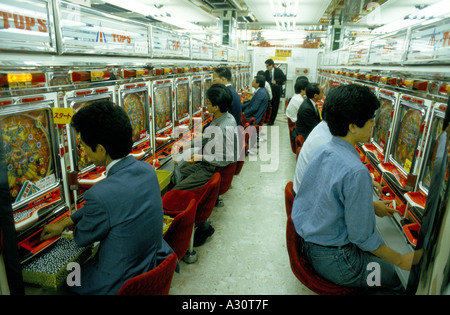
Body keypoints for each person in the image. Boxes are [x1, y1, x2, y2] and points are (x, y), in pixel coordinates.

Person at [40, 100, 174, 295]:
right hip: (150, 264)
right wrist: (67, 220)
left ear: (101, 149)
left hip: (118, 283)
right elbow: (114, 202)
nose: (83, 151)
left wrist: (70, 228)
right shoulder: (147, 170)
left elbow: (83, 238)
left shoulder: (100, 194)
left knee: (69, 277)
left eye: (83, 145)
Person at [291, 84, 413, 294]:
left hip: (312, 245)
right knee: (400, 279)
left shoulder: (325, 150)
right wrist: (401, 259)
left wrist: (369, 205)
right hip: (339, 261)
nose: (374, 124)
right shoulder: (356, 172)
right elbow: (363, 238)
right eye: (371, 119)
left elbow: (329, 197)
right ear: (352, 126)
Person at [171, 83, 238, 246]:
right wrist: (188, 144)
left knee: (175, 191)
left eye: (207, 103)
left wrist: (199, 156)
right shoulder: (224, 117)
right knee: (179, 171)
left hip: (212, 167)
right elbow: (207, 137)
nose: (205, 105)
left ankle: (197, 227)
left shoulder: (223, 126)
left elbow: (224, 157)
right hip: (208, 161)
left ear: (216, 106)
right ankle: (197, 220)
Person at [264, 59, 286, 125]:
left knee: (275, 106)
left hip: (276, 90)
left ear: (272, 65)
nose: (267, 68)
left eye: (267, 66)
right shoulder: (266, 72)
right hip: (269, 90)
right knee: (268, 105)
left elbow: (284, 79)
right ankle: (267, 119)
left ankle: (272, 121)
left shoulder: (278, 71)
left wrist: (276, 81)